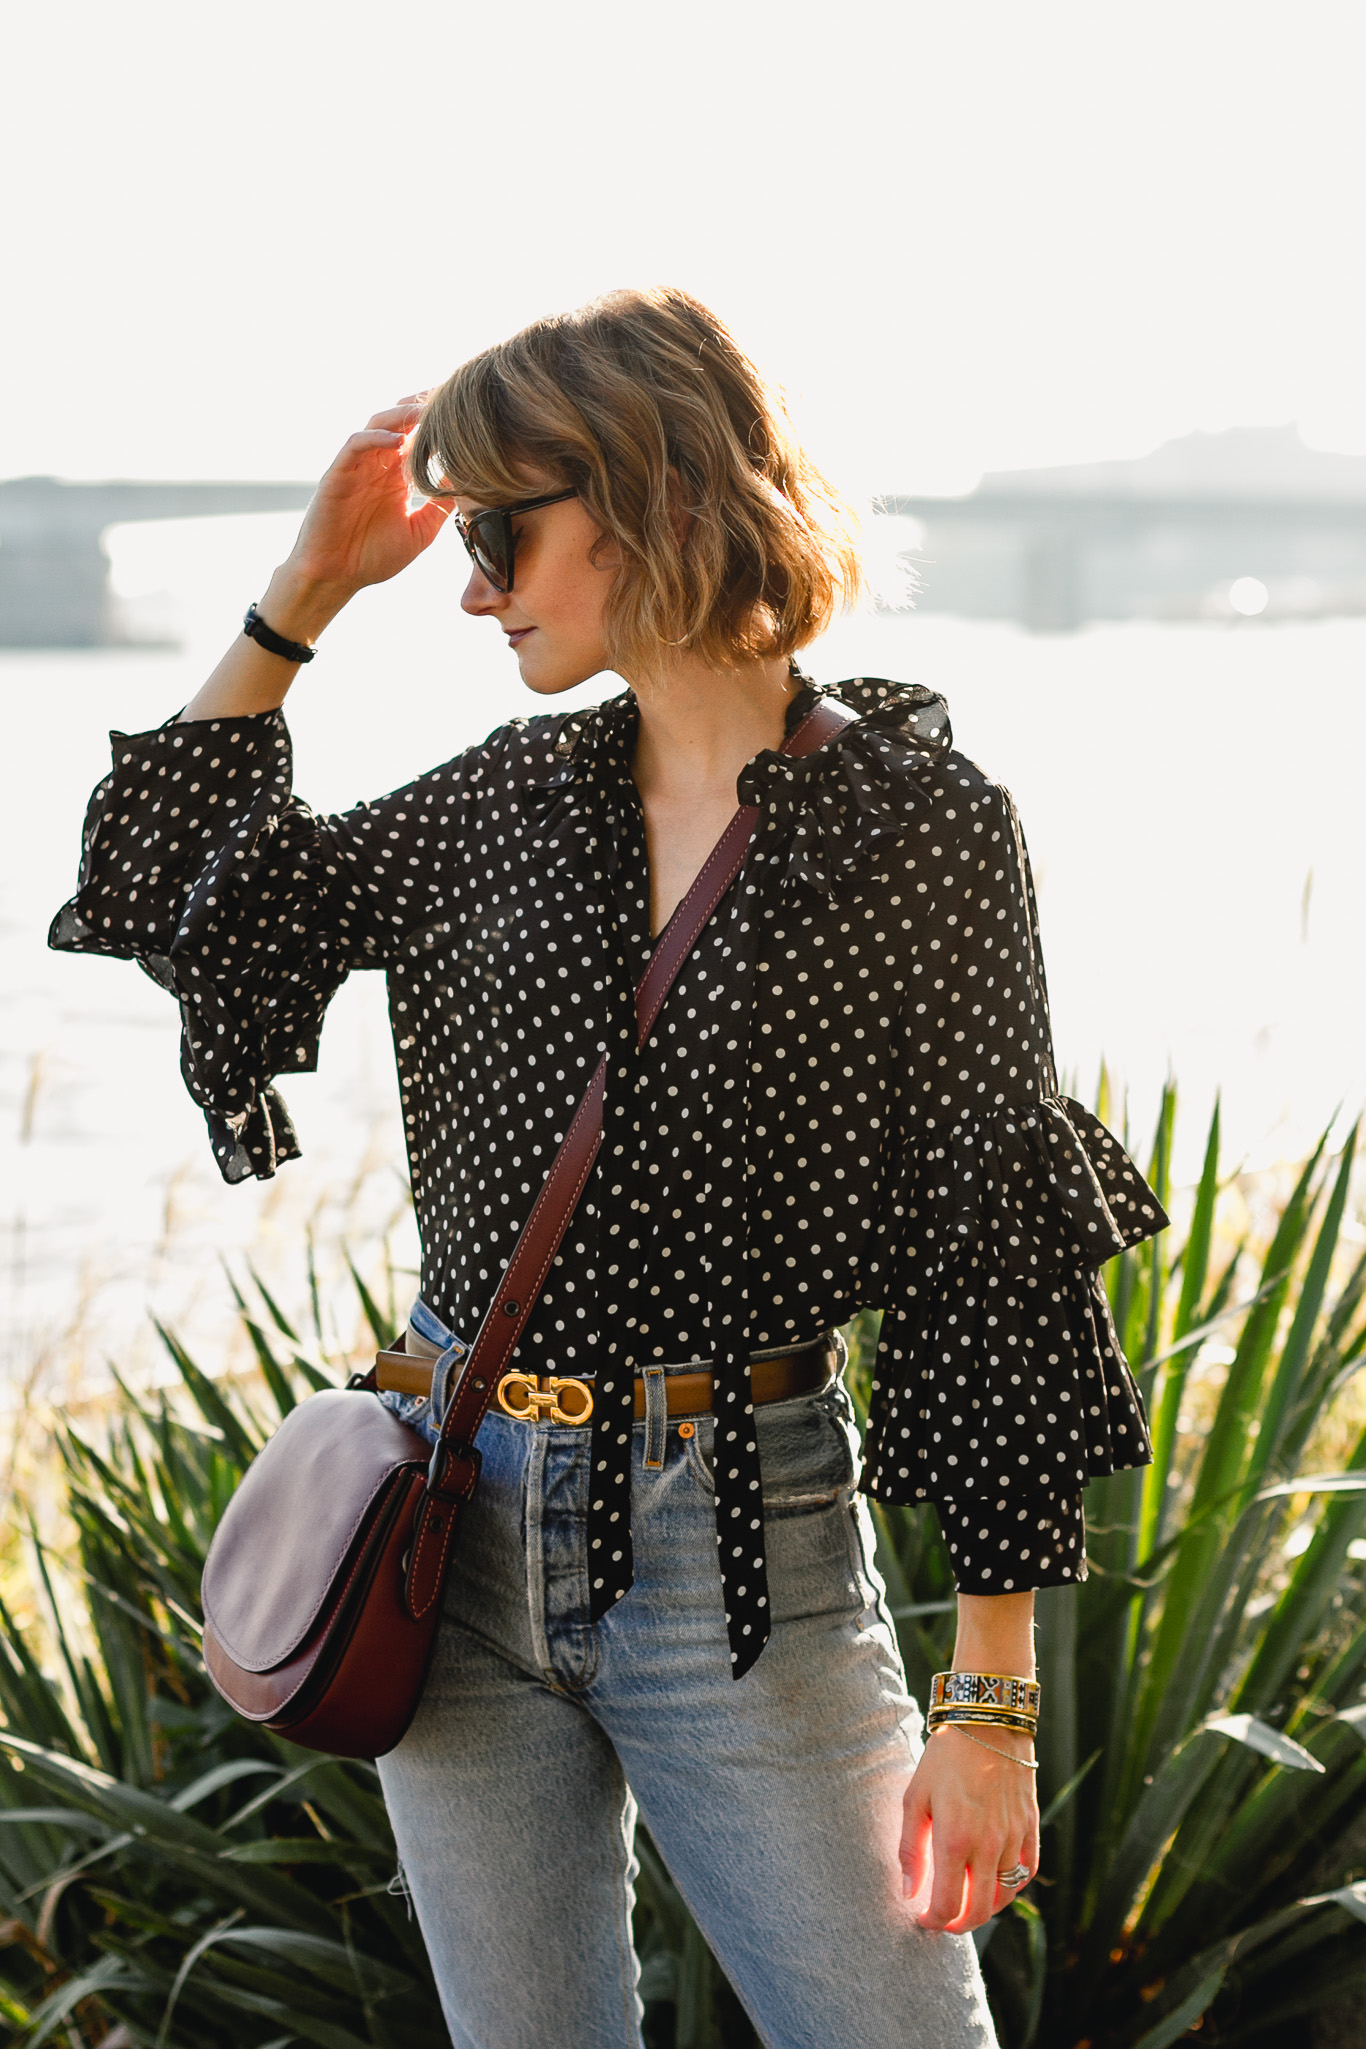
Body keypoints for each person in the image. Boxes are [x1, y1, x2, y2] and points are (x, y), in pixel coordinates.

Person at [51, 287, 1165, 2049]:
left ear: (645, 492)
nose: (477, 587)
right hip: (450, 1513)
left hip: (743, 1550)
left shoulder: (917, 827)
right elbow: (178, 901)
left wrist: (990, 1701)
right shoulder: (500, 801)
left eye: (502, 531)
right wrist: (306, 590)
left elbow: (990, 1259)